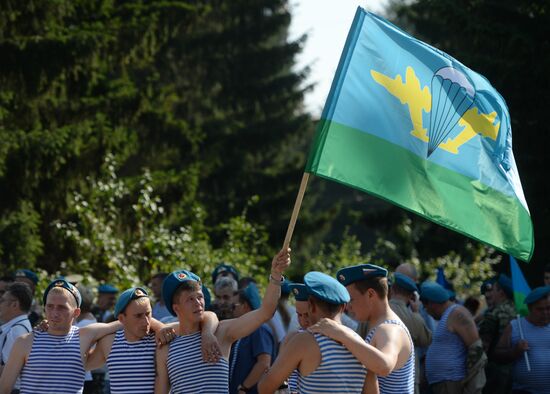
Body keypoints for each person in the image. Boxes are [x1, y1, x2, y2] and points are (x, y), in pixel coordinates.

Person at [154, 248, 290, 393]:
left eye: (200, 297)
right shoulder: (166, 347)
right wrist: (159, 327)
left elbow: (265, 312)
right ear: (176, 308)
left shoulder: (222, 333)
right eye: (190, 299)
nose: (198, 303)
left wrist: (276, 275)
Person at [86, 287, 219, 394]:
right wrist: (109, 327)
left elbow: (208, 315)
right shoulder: (109, 343)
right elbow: (83, 364)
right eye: (138, 316)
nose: (145, 321)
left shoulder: (160, 338)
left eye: (148, 314)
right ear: (122, 319)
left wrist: (207, 333)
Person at [0, 279, 125, 393]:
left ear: (76, 312)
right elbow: (4, 388)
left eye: (62, 308)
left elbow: (125, 322)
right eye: (50, 306)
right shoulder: (25, 342)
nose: (54, 313)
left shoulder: (84, 336)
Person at [310, 263, 415, 394]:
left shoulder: (390, 329)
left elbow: (384, 365)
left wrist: (342, 333)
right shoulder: (379, 326)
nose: (347, 307)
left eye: (351, 300)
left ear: (371, 294)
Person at [258, 272, 368, 394]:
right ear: (343, 307)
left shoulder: (304, 340)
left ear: (310, 305)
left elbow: (264, 388)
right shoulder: (362, 346)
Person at [421, 282, 486, 394]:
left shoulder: (457, 313)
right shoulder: (447, 316)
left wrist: (471, 386)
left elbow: (476, 349)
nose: (426, 310)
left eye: (425, 306)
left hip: (452, 383)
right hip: (444, 383)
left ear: (432, 303)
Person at [494, 286, 550, 394]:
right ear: (529, 308)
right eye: (540, 309)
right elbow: (496, 355)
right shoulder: (515, 326)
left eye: (549, 308)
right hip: (524, 391)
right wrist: (514, 352)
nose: (545, 313)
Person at [229, 283, 276, 394]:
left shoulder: (259, 329)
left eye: (234, 306)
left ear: (245, 306)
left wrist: (244, 387)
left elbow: (264, 363)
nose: (232, 310)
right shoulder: (243, 330)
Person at [389, 272, 432, 394]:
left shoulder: (376, 311)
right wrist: (417, 312)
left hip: (380, 377)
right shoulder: (414, 317)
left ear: (391, 289)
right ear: (411, 296)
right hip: (408, 380)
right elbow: (426, 340)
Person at [478, 274, 516, 394]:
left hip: (495, 370)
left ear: (501, 292)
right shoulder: (519, 310)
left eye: (493, 290)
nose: (489, 294)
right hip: (516, 368)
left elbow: (483, 346)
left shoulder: (493, 314)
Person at [0, 282, 33, 392]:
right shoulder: (18, 327)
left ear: (14, 305)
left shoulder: (16, 330)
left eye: (2, 301)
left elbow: (10, 370)